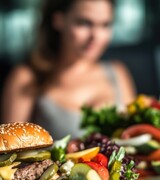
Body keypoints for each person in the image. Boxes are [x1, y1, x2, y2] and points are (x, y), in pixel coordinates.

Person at [1, 0, 136, 139]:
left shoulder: (117, 72)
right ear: (58, 20)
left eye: (105, 25)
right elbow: (10, 154)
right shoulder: (26, 77)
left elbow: (134, 138)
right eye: (84, 23)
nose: (95, 36)